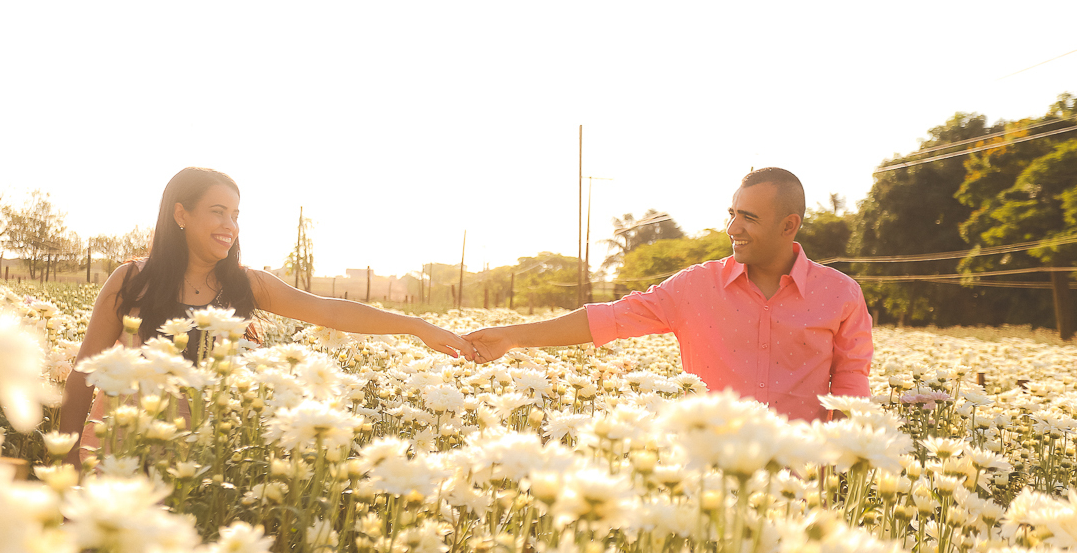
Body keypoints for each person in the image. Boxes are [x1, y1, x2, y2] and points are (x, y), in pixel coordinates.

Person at [58, 167, 475, 466]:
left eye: (236, 214)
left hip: (197, 458)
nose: (230, 225)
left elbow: (328, 310)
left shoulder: (244, 285)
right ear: (181, 214)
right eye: (218, 211)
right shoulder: (131, 281)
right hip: (115, 451)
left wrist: (416, 326)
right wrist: (69, 456)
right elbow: (83, 374)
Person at [464, 168, 873, 422]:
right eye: (732, 214)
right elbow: (610, 318)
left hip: (800, 490)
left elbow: (852, 388)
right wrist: (514, 335)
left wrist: (846, 471)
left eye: (749, 218)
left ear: (789, 226)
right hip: (707, 482)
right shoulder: (695, 287)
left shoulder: (841, 295)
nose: (733, 229)